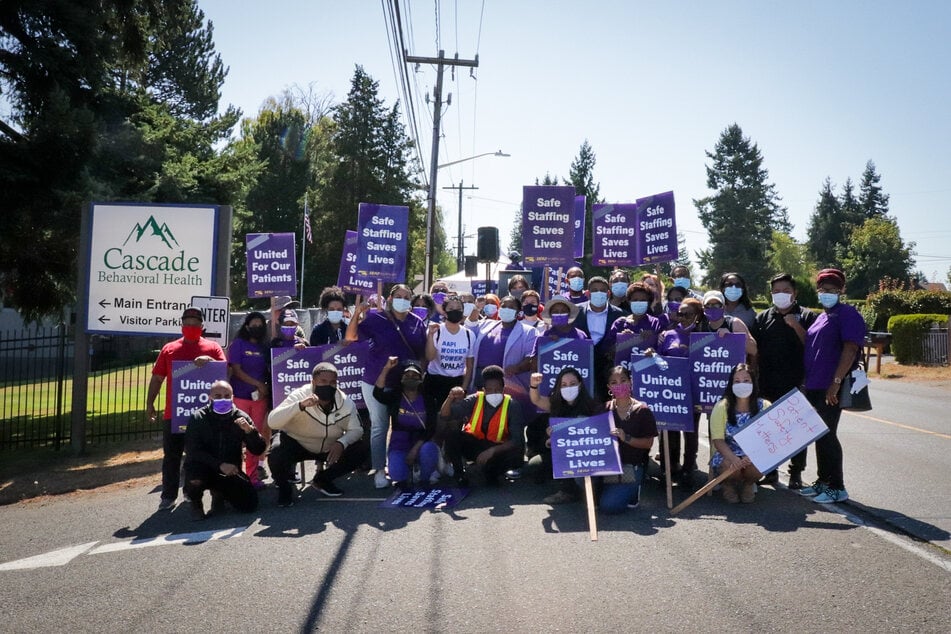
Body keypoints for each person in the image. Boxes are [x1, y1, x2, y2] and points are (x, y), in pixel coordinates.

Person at [346, 284, 427, 489]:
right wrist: (357, 314)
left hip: (405, 385)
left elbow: (423, 354)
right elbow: (350, 337)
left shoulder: (417, 323)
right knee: (380, 426)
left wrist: (420, 377)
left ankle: (407, 463)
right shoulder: (376, 319)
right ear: (390, 299)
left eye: (406, 296)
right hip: (376, 381)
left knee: (406, 423)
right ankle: (380, 469)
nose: (402, 299)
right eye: (398, 296)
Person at [146, 306, 226, 511]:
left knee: (197, 456)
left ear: (202, 326)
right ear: (182, 325)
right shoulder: (169, 349)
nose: (191, 327)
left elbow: (225, 373)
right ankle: (168, 495)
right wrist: (150, 403)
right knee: (171, 456)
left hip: (204, 416)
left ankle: (192, 492)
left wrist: (210, 362)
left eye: (195, 324)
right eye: (187, 323)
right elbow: (157, 378)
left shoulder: (213, 348)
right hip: (175, 413)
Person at [799, 268, 865, 504]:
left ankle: (837, 487)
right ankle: (823, 482)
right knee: (819, 434)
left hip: (830, 386)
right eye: (823, 289)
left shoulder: (847, 314)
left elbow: (850, 349)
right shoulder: (821, 316)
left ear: (841, 291)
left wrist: (835, 383)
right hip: (814, 385)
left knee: (828, 434)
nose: (826, 293)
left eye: (832, 290)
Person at [267, 362, 368, 506]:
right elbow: (272, 422)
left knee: (360, 449)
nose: (328, 385)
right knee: (276, 450)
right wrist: (300, 406)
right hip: (298, 444)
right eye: (323, 381)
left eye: (332, 382)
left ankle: (323, 480)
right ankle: (284, 490)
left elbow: (357, 430)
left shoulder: (345, 402)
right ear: (313, 382)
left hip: (328, 447)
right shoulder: (299, 395)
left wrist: (342, 442)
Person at [750, 273, 818, 488]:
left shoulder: (807, 316)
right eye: (776, 291)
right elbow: (754, 350)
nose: (781, 295)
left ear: (795, 293)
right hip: (767, 381)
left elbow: (814, 346)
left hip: (797, 381)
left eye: (786, 291)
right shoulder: (763, 318)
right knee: (769, 430)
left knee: (796, 431)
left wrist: (795, 326)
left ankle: (796, 473)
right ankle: (770, 472)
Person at [183, 380, 266, 520]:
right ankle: (196, 504)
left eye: (227, 395)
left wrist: (250, 432)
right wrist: (219, 465)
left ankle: (219, 495)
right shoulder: (198, 417)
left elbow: (258, 450)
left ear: (233, 397)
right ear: (210, 397)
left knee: (250, 505)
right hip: (204, 467)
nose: (223, 399)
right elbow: (192, 451)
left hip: (230, 470)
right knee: (194, 477)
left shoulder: (241, 417)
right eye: (218, 396)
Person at [441, 365, 526, 486]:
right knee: (452, 435)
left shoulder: (512, 405)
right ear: (484, 390)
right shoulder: (475, 399)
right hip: (476, 443)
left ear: (503, 389)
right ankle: (459, 474)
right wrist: (450, 397)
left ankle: (490, 474)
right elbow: (445, 415)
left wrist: (491, 451)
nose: (493, 393)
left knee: (499, 468)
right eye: (489, 390)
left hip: (498, 448)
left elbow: (516, 440)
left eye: (497, 390)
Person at [528, 367, 601, 504]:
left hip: (584, 454)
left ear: (580, 385)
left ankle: (569, 491)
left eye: (572, 384)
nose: (568, 388)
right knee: (535, 466)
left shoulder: (591, 406)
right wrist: (533, 385)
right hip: (560, 451)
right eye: (564, 385)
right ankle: (566, 482)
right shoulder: (556, 404)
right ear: (559, 387)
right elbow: (536, 399)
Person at [655, 297, 704, 485]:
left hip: (693, 393)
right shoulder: (668, 335)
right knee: (669, 432)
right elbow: (660, 362)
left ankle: (688, 470)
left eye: (688, 314)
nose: (682, 317)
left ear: (698, 316)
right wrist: (653, 357)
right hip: (671, 393)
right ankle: (669, 468)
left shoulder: (705, 336)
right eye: (680, 313)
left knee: (690, 433)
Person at [599, 366, 658, 512]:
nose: (619, 385)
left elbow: (648, 443)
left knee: (608, 506)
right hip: (609, 467)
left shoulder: (642, 410)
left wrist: (626, 438)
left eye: (623, 380)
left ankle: (634, 490)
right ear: (609, 387)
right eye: (614, 382)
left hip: (631, 467)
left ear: (630, 382)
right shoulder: (604, 409)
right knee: (586, 490)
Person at [374, 358, 439, 488]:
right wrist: (387, 368)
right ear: (401, 378)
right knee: (397, 475)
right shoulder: (395, 396)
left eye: (415, 375)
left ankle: (424, 476)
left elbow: (431, 428)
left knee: (429, 450)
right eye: (407, 375)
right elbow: (377, 393)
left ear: (421, 379)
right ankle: (405, 472)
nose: (411, 378)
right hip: (400, 440)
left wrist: (415, 450)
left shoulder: (428, 399)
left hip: (421, 440)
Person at [709, 364, 768, 503]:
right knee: (729, 465)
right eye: (737, 381)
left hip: (753, 454)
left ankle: (749, 484)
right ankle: (727, 485)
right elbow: (718, 440)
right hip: (727, 453)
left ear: (753, 383)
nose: (742, 384)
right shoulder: (722, 407)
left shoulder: (764, 406)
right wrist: (733, 458)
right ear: (731, 384)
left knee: (760, 464)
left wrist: (753, 455)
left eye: (746, 381)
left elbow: (769, 435)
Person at [227, 311, 271, 489]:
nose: (257, 328)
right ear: (246, 326)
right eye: (253, 325)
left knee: (255, 437)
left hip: (260, 400)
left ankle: (252, 478)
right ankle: (235, 477)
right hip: (240, 397)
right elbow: (236, 370)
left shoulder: (265, 347)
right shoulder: (238, 344)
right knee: (237, 438)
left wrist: (263, 387)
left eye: (260, 325)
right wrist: (258, 384)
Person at [574, 276, 625, 402]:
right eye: (595, 290)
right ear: (587, 293)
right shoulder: (574, 311)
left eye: (602, 290)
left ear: (608, 293)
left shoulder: (621, 315)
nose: (599, 293)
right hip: (581, 366)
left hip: (608, 369)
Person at [424, 295, 475, 411]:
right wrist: (431, 335)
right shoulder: (436, 331)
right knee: (434, 420)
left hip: (456, 382)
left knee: (453, 421)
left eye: (458, 309)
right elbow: (430, 357)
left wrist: (464, 388)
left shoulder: (469, 334)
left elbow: (469, 366)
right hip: (435, 381)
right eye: (451, 309)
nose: (455, 311)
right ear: (445, 313)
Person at [605, 282, 661, 363]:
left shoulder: (655, 323)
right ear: (629, 301)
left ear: (649, 302)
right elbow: (608, 352)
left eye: (643, 300)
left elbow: (661, 350)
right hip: (623, 371)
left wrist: (652, 343)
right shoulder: (620, 323)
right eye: (635, 300)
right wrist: (624, 340)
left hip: (645, 370)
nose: (639, 303)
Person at [700, 290, 758, 362]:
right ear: (703, 308)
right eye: (708, 305)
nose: (712, 308)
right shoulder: (701, 325)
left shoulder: (734, 323)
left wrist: (732, 337)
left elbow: (753, 350)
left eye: (717, 305)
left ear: (724, 307)